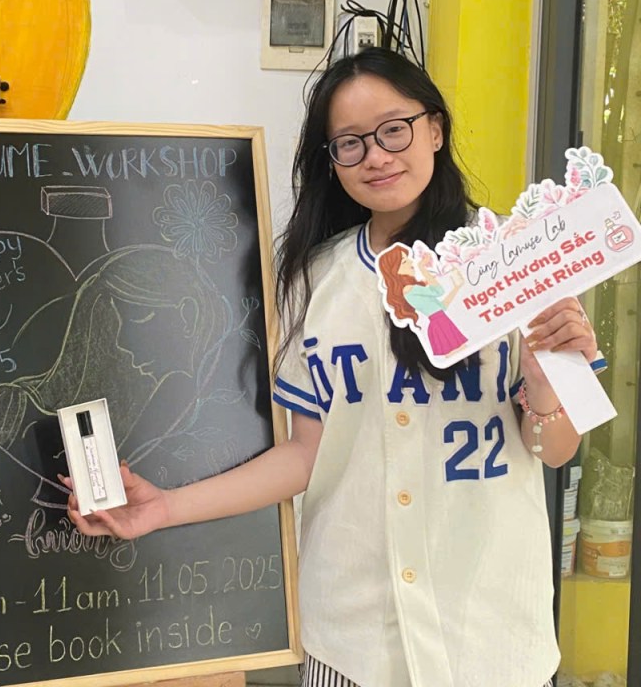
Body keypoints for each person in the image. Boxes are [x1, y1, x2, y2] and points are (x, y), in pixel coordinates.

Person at [64, 47, 600, 687]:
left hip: (490, 637)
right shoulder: (314, 280)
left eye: (394, 129)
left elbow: (555, 450)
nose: (376, 155)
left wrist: (543, 389)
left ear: (435, 129)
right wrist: (164, 508)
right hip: (351, 639)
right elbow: (305, 455)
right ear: (332, 160)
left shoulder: (516, 261)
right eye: (350, 143)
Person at [378, 243, 468, 356]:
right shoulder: (408, 289)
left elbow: (441, 306)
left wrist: (456, 288)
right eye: (404, 262)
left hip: (442, 321)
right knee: (457, 353)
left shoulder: (412, 288)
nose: (411, 262)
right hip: (440, 324)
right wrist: (422, 267)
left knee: (460, 353)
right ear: (395, 270)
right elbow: (438, 291)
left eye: (408, 259)